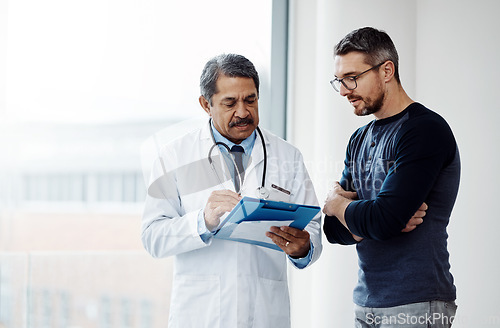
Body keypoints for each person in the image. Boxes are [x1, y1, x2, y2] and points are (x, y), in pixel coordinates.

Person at [141, 53, 322, 328]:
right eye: (230, 103)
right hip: (202, 315)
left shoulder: (288, 156)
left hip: (264, 314)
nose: (243, 112)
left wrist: (304, 247)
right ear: (206, 104)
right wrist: (203, 221)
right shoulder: (174, 157)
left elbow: (314, 226)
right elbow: (153, 237)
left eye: (250, 100)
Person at [323, 27, 460, 327]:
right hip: (366, 302)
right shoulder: (358, 139)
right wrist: (375, 218)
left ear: (386, 70)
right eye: (340, 81)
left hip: (416, 303)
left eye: (352, 78)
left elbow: (381, 218)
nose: (344, 90)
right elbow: (333, 231)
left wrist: (336, 204)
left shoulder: (424, 130)